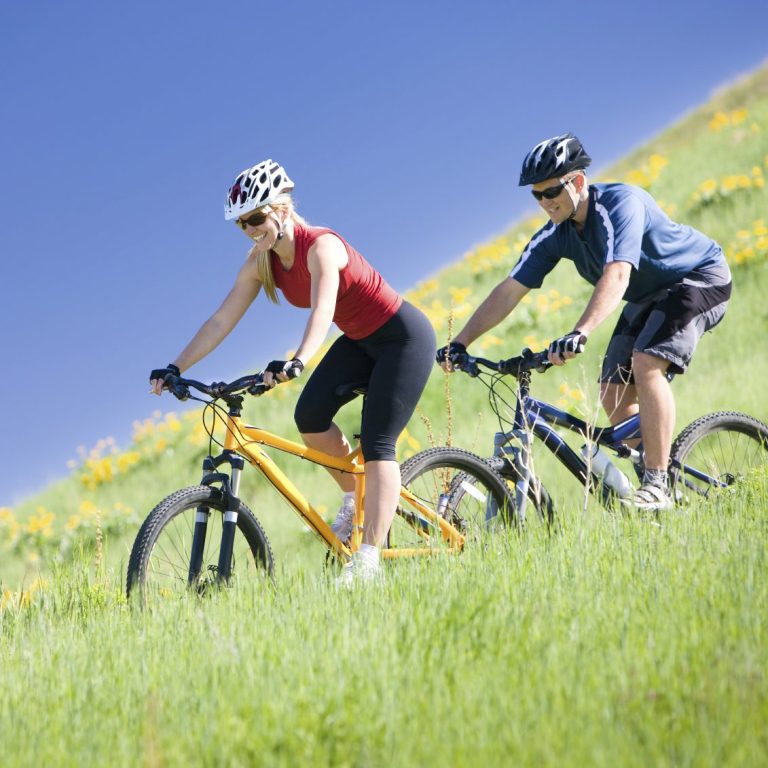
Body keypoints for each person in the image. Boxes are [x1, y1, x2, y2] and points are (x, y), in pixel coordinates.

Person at [150, 159, 435, 582]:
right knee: (309, 417)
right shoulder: (260, 261)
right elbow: (221, 320)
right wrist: (176, 365)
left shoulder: (322, 246)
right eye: (241, 224)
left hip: (402, 338)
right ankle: (354, 498)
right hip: (359, 341)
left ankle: (368, 559)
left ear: (282, 209)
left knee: (377, 442)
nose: (250, 230)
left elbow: (323, 308)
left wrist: (298, 358)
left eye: (255, 218)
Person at [437, 133, 731, 512]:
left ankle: (657, 482)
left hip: (697, 278)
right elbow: (509, 290)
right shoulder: (556, 234)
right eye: (536, 195)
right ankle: (660, 478)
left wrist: (581, 331)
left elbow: (618, 274)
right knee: (612, 392)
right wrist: (461, 341)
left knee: (646, 362)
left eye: (551, 192)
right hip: (648, 296)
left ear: (577, 182)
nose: (544, 202)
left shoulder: (620, 204)